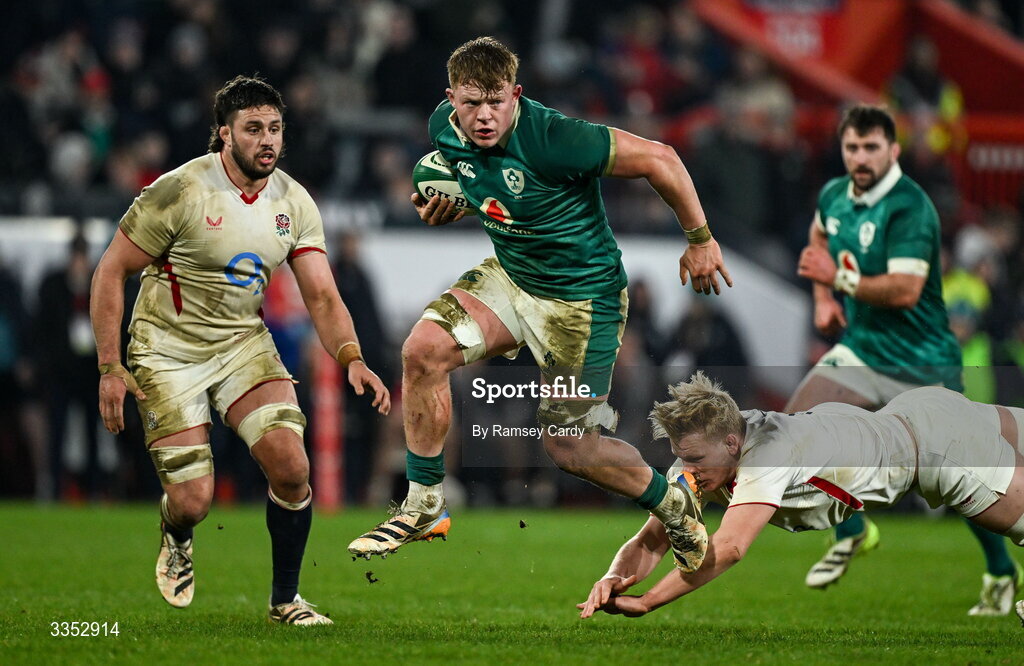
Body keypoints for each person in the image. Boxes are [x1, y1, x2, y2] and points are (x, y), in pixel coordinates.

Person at [347, 36, 729, 570]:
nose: (483, 116)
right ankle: (425, 503)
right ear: (450, 98)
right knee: (422, 351)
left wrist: (700, 238)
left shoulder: (555, 136)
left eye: (496, 101)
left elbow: (660, 158)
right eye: (471, 102)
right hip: (512, 278)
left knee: (571, 448)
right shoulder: (442, 129)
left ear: (517, 94)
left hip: (582, 301)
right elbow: (483, 186)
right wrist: (455, 205)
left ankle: (673, 502)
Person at [90, 75, 390, 625]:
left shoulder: (294, 201)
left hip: (240, 342)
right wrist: (111, 365)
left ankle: (286, 601)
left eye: (275, 128)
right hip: (166, 349)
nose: (267, 140)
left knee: (292, 467)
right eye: (253, 129)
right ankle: (176, 530)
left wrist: (352, 358)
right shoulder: (179, 191)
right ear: (224, 134)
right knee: (194, 501)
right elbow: (112, 270)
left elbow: (322, 295)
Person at [789, 104, 1021, 614]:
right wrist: (825, 301)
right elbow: (818, 242)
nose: (861, 157)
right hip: (863, 350)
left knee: (959, 477)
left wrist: (838, 280)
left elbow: (906, 290)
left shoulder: (911, 207)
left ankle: (1002, 568)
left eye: (872, 147)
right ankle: (854, 529)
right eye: (852, 147)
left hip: (922, 361)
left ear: (893, 151)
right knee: (792, 429)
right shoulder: (833, 196)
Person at [578, 372, 1024, 623]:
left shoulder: (767, 455)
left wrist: (650, 600)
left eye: (693, 459)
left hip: (939, 453)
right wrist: (615, 577)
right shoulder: (709, 452)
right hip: (918, 411)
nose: (685, 469)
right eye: (680, 458)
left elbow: (730, 546)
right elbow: (655, 538)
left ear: (733, 443)